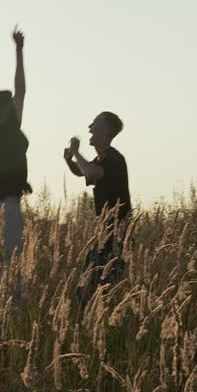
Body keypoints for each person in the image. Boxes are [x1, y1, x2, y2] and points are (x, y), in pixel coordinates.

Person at [63, 111, 132, 301]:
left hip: (116, 234)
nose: (90, 128)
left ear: (106, 130)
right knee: (87, 284)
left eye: (95, 124)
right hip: (104, 233)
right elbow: (82, 171)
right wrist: (70, 161)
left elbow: (92, 172)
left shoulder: (113, 160)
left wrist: (76, 151)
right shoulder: (103, 158)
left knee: (99, 287)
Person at [0, 29, 32, 275]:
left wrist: (19, 51)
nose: (13, 104)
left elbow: (20, 90)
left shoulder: (12, 125)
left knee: (11, 260)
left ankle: (14, 303)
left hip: (10, 200)